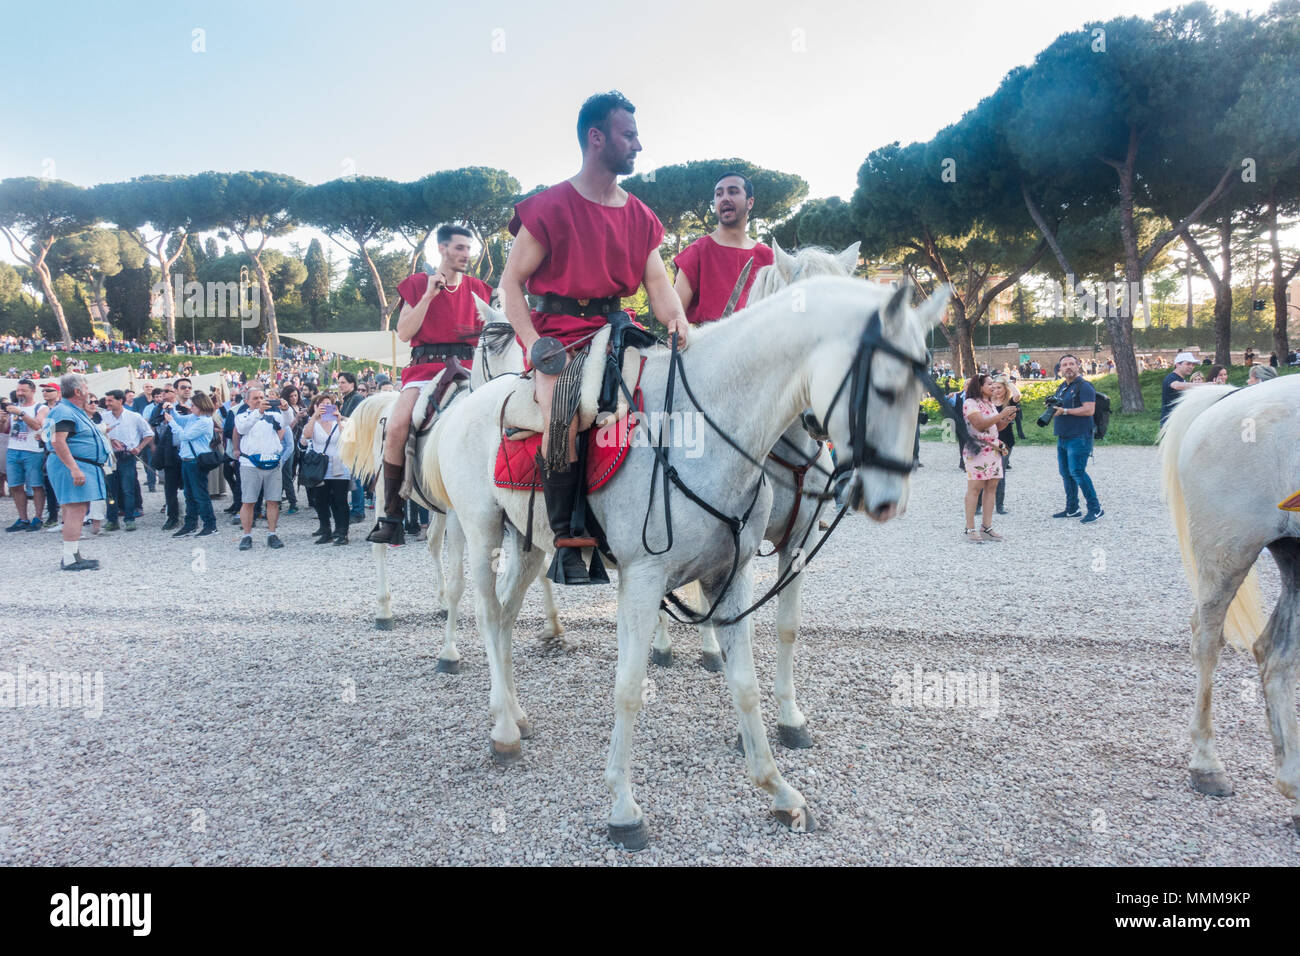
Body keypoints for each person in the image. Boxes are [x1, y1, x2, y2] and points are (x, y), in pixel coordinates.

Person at [499, 90, 690, 584]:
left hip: (618, 327)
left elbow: (658, 284)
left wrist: (677, 321)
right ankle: (567, 538)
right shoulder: (549, 206)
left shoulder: (641, 216)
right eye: (629, 136)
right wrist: (532, 345)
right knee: (565, 407)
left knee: (673, 391)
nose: (639, 146)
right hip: (561, 335)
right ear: (596, 137)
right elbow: (510, 284)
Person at [367, 225, 491, 545]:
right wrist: (427, 296)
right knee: (396, 425)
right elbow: (405, 333)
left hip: (470, 368)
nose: (466, 254)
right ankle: (392, 514)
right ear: (442, 249)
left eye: (468, 249)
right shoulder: (418, 284)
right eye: (460, 248)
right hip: (425, 369)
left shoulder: (480, 288)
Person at [672, 172, 775, 324]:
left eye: (733, 192)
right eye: (719, 194)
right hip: (709, 344)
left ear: (750, 202)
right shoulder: (697, 251)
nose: (725, 198)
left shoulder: (768, 257)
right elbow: (675, 313)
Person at [44, 374, 109, 571]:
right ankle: (70, 558)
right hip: (73, 465)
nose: (89, 392)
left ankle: (72, 554)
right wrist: (74, 468)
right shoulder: (64, 411)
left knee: (76, 509)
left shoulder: (69, 410)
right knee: (75, 509)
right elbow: (57, 441)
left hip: (78, 464)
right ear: (78, 391)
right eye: (86, 388)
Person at [961, 374, 1016, 543]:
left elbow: (996, 426)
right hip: (977, 449)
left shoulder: (989, 403)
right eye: (989, 384)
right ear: (979, 386)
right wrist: (1001, 415)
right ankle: (970, 528)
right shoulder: (970, 403)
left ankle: (986, 527)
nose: (993, 387)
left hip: (993, 449)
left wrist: (1006, 419)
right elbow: (979, 424)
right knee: (975, 488)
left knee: (991, 487)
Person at [1050, 354, 1103, 523]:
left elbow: (1089, 410)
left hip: (1079, 436)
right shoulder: (1062, 388)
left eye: (1071, 364)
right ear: (1060, 369)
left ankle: (1096, 508)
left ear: (1078, 366)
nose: (1068, 367)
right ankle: (1072, 508)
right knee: (1066, 473)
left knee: (1077, 472)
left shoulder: (1085, 386)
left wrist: (1065, 411)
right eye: (1064, 365)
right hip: (1063, 436)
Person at [234, 385, 287, 550]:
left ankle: (272, 533)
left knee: (273, 500)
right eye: (255, 398)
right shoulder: (242, 415)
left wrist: (285, 409)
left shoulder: (273, 414)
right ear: (247, 400)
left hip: (272, 461)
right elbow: (242, 429)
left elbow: (286, 423)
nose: (259, 401)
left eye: (261, 397)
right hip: (250, 463)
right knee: (248, 501)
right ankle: (247, 535)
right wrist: (259, 413)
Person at [300, 392, 351, 545]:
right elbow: (307, 435)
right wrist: (314, 416)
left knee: (340, 499)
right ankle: (326, 529)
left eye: (329, 404)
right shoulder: (313, 422)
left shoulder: (339, 422)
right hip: (320, 465)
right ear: (315, 407)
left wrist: (339, 419)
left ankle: (342, 532)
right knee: (321, 499)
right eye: (322, 405)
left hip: (338, 463)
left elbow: (346, 440)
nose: (326, 408)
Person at [166, 391, 219, 537]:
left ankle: (210, 524)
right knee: (189, 494)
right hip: (187, 460)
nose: (191, 407)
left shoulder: (204, 421)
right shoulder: (194, 417)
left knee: (200, 494)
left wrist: (171, 422)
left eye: (193, 405)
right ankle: (191, 524)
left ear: (201, 406)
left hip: (196, 461)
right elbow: (181, 419)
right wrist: (172, 411)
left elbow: (184, 436)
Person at [100, 389, 152, 532]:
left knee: (128, 489)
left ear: (120, 400)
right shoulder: (103, 417)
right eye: (107, 400)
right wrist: (110, 440)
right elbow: (98, 436)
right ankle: (112, 520)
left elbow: (149, 434)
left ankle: (129, 519)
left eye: (110, 400)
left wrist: (139, 448)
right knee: (111, 490)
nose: (107, 403)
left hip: (127, 457)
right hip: (110, 458)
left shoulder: (134, 416)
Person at [2, 378, 49, 531]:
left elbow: (37, 425)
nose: (20, 393)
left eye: (24, 390)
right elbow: (5, 430)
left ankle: (38, 517)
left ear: (32, 391)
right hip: (14, 449)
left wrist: (21, 413)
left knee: (35, 485)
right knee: (15, 486)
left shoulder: (40, 407)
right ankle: (23, 518)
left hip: (33, 450)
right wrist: (2, 421)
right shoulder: (13, 407)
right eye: (18, 390)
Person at [336, 371, 366, 524]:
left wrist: (340, 418)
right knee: (352, 477)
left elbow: (359, 421)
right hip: (349, 441)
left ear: (352, 384)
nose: (340, 385)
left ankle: (358, 511)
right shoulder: (347, 399)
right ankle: (355, 509)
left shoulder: (357, 398)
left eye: (343, 382)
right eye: (339, 382)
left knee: (356, 478)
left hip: (356, 442)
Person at [1159, 351, 1198, 427]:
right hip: (1169, 423)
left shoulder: (1181, 379)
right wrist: (1206, 385)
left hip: (1178, 422)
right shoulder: (1171, 377)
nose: (1191, 367)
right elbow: (1176, 386)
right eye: (1188, 364)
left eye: (1193, 365)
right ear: (1177, 365)